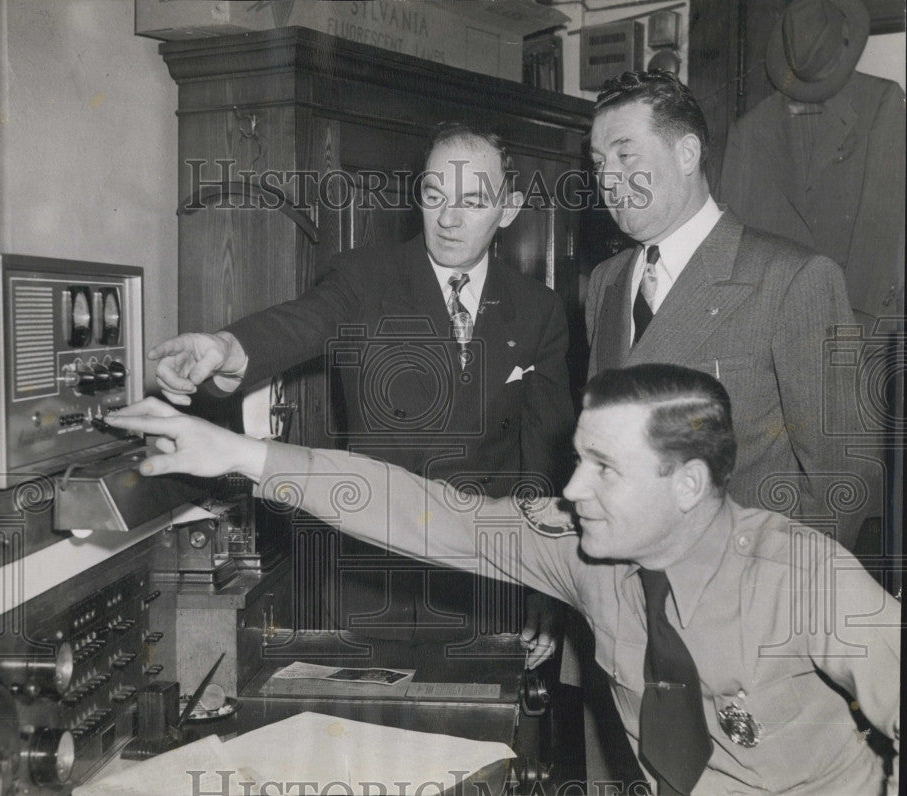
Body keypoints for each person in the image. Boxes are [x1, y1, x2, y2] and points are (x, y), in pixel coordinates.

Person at [106, 363, 900, 795]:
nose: (573, 489)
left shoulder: (805, 577)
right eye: (576, 459)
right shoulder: (588, 553)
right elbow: (423, 510)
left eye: (602, 469)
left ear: (688, 485)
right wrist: (243, 457)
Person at [148, 121, 576, 664]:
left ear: (508, 208)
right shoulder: (364, 277)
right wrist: (226, 346)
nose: (447, 219)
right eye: (433, 195)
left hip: (487, 592)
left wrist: (544, 584)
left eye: (472, 201)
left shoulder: (538, 310)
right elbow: (304, 323)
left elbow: (543, 461)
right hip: (374, 585)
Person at [584, 70, 879, 551]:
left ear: (686, 154)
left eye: (625, 154)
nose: (609, 179)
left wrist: (781, 587)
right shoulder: (605, 283)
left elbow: (842, 475)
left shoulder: (792, 279)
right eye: (599, 164)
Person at [719, 0, 905, 324]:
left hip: (862, 320)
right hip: (774, 326)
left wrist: (851, 330)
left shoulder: (881, 104)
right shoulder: (749, 131)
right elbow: (729, 244)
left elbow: (884, 225)